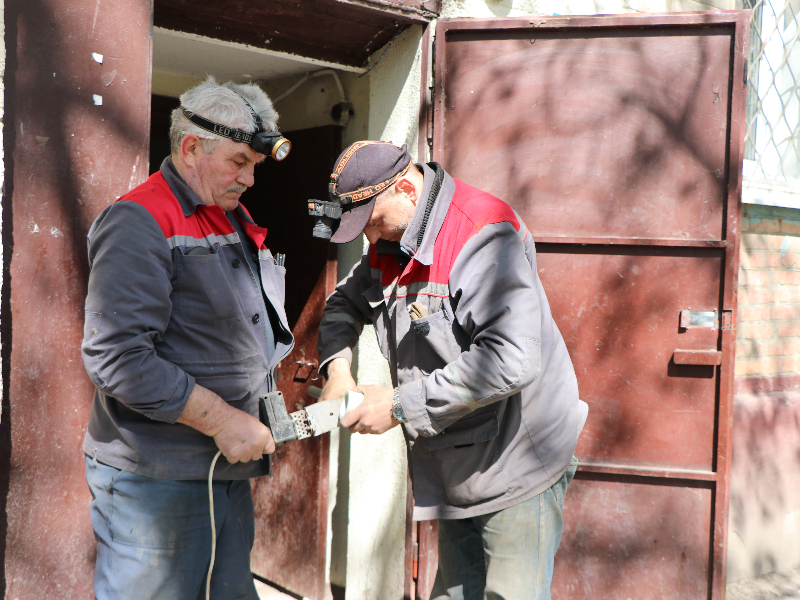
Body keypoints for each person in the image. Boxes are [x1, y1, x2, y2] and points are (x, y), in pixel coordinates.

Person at [316, 140, 589, 600]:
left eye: (372, 223)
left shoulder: (483, 234)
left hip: (517, 459)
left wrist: (399, 405)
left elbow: (510, 358)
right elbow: (344, 302)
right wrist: (337, 371)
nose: (369, 239)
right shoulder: (393, 240)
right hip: (456, 463)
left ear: (405, 188)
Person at [81, 77, 293, 600]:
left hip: (220, 470)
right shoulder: (138, 220)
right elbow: (117, 358)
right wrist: (222, 420)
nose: (248, 179)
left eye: (253, 166)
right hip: (156, 482)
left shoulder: (228, 216)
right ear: (191, 147)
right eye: (238, 161)